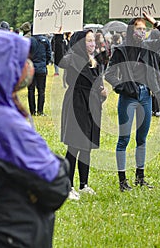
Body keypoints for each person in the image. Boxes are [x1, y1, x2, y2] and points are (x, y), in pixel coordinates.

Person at [0, 30, 70, 247]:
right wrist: (58, 162)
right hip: (11, 235)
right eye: (20, 60)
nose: (27, 66)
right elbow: (56, 186)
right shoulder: (1, 124)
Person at [105, 12, 160, 191]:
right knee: (124, 138)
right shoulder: (121, 50)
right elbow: (110, 74)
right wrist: (124, 87)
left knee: (141, 138)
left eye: (144, 29)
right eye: (139, 28)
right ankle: (122, 180)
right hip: (128, 97)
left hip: (146, 96)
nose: (142, 32)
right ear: (131, 30)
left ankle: (140, 177)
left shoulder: (148, 46)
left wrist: (154, 22)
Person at [55, 30, 108, 199]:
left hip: (91, 104)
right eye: (88, 41)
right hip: (76, 102)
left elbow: (98, 83)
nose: (92, 44)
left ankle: (84, 184)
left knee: (87, 145)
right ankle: (68, 186)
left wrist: (103, 93)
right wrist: (58, 37)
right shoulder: (72, 57)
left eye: (93, 41)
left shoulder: (96, 61)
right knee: (74, 145)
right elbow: (59, 60)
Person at [23, 22, 52, 116]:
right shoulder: (45, 40)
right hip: (41, 68)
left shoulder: (28, 40)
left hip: (30, 69)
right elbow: (49, 54)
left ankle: (32, 111)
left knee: (31, 90)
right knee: (41, 91)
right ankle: (40, 111)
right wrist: (45, 63)